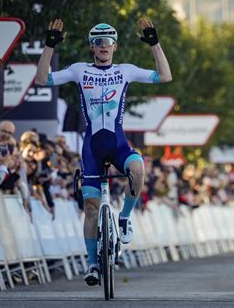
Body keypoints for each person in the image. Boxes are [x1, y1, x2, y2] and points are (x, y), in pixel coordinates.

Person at [35, 18, 172, 285]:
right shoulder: (79, 70)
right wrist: (49, 47)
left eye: (108, 41)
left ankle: (124, 218)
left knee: (138, 169)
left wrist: (155, 44)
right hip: (92, 150)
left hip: (118, 145)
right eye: (98, 42)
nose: (103, 46)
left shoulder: (126, 71)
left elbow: (165, 76)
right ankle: (92, 265)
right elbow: (42, 79)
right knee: (90, 207)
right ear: (91, 47)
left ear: (115, 46)